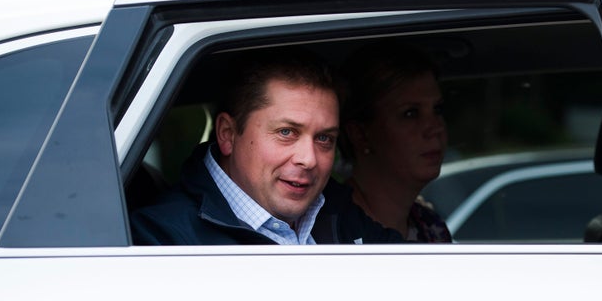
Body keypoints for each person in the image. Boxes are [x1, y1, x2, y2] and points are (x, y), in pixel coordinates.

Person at [131, 47, 402, 245]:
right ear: (227, 134)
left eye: (324, 139)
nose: (309, 160)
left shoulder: (335, 209)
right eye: (287, 132)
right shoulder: (162, 241)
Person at [339, 40, 452, 242]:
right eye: (410, 113)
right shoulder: (327, 230)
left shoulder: (429, 226)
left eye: (438, 110)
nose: (435, 128)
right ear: (360, 134)